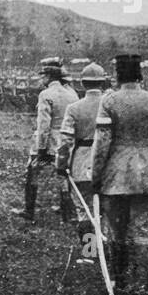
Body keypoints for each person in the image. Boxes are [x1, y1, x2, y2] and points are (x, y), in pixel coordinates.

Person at [90, 54, 148, 295]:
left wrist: (95, 175)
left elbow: (102, 143)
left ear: (118, 75)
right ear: (139, 74)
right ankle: (139, 285)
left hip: (115, 177)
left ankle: (120, 283)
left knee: (117, 232)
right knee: (142, 232)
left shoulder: (109, 101)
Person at [56, 62, 109, 264]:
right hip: (106, 163)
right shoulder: (110, 104)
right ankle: (107, 249)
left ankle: (90, 253)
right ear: (103, 81)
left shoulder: (75, 108)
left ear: (83, 83)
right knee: (106, 209)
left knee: (84, 209)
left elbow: (66, 142)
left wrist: (61, 165)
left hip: (82, 163)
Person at [14, 62, 79, 222]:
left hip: (49, 141)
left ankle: (29, 211)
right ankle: (67, 213)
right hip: (66, 140)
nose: (41, 78)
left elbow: (44, 125)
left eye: (43, 76)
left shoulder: (46, 94)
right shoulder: (72, 94)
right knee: (64, 175)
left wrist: (41, 148)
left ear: (49, 77)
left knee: (33, 172)